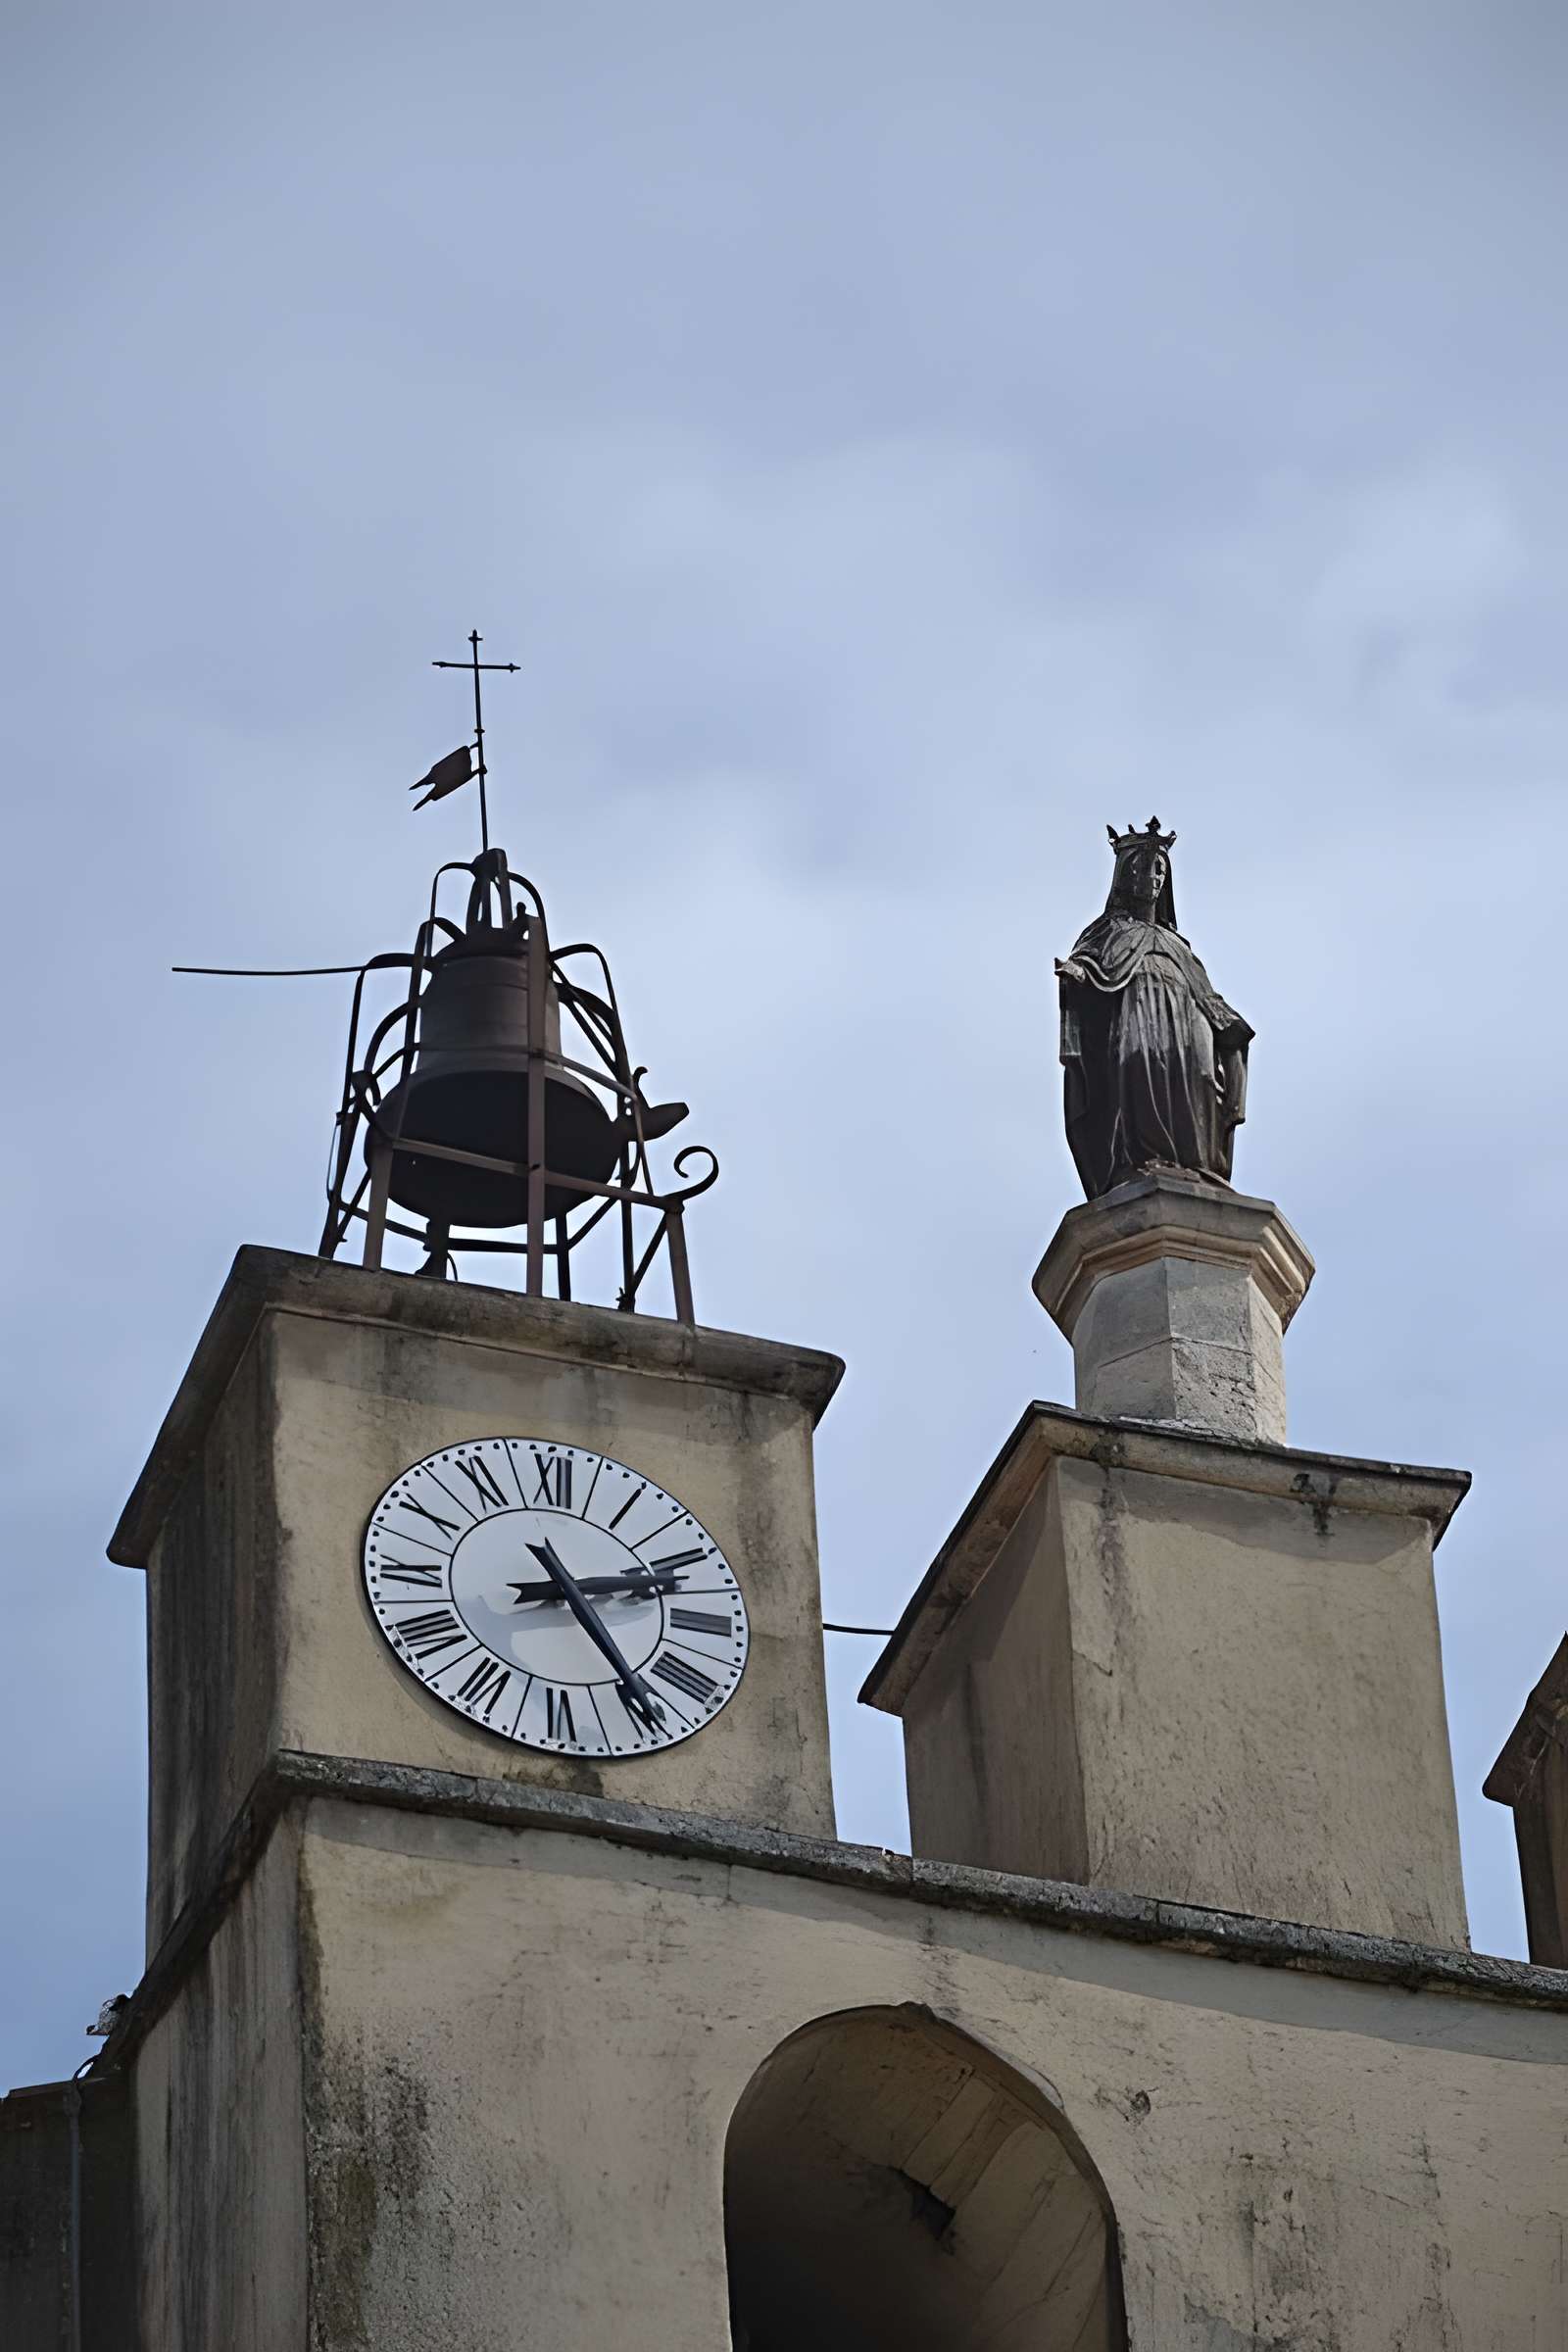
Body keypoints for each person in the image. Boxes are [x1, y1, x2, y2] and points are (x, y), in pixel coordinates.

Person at [1055, 819, 1251, 1200]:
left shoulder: (1178, 945)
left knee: (1196, 1074)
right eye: (1147, 868)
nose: (1155, 878)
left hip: (1186, 1022)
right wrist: (1078, 975)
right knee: (1136, 1066)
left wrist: (1228, 1023)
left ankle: (1193, 1164)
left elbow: (1206, 996)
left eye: (1161, 870)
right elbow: (1093, 970)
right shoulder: (1107, 931)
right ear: (1128, 875)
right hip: (1136, 1016)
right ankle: (1139, 1161)